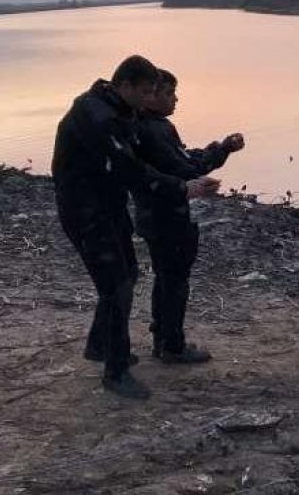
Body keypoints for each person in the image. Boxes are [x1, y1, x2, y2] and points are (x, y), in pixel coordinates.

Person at [52, 55, 218, 399]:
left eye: (152, 93)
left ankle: (99, 346)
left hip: (109, 207)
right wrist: (182, 188)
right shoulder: (96, 118)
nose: (147, 101)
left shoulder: (118, 110)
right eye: (144, 92)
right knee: (117, 287)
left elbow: (139, 163)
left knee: (127, 275)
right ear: (124, 85)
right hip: (85, 211)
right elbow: (131, 171)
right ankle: (116, 372)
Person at [134, 69, 244, 364]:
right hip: (166, 216)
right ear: (151, 94)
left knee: (166, 277)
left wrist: (220, 149)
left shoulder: (149, 126)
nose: (176, 99)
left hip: (152, 215)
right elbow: (185, 168)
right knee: (175, 280)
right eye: (169, 93)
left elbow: (181, 159)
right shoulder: (153, 130)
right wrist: (221, 152)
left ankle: (163, 338)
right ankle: (172, 345)